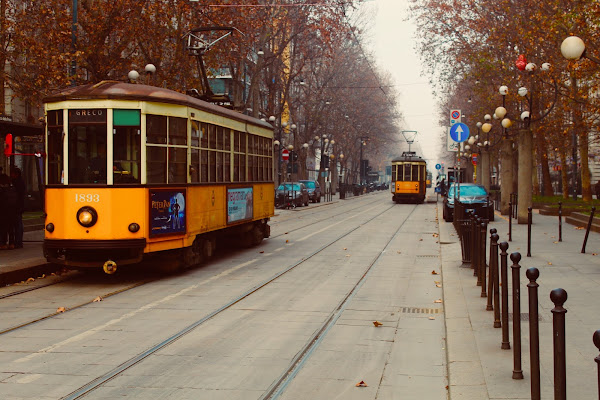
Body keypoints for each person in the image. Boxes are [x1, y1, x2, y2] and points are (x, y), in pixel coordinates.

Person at [0, 173, 17, 249]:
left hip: (3, 211)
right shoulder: (12, 188)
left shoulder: (2, 190)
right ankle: (11, 243)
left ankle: (3, 243)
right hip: (12, 211)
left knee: (3, 228)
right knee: (11, 228)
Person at [10, 167, 25, 249]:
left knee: (17, 224)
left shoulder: (16, 183)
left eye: (12, 174)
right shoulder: (21, 182)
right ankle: (18, 242)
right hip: (19, 206)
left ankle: (18, 242)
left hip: (16, 207)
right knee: (18, 224)